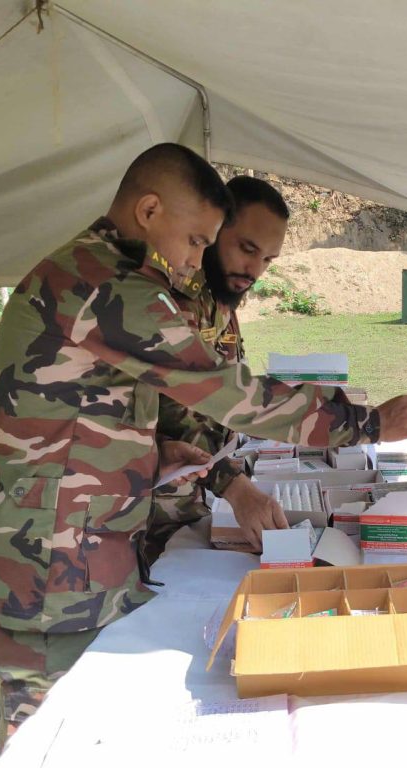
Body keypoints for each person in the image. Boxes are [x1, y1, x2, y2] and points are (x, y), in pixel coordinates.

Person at [0, 143, 407, 744]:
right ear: (148, 211)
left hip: (72, 566)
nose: (195, 262)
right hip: (47, 584)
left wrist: (148, 453)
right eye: (195, 240)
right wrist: (367, 424)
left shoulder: (98, 273)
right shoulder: (108, 285)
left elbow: (78, 413)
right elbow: (226, 391)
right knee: (48, 743)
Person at [144, 175, 293, 561]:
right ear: (214, 230)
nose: (255, 269)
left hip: (189, 496)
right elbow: (176, 408)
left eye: (267, 260)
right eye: (247, 249)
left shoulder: (221, 296)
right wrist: (236, 486)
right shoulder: (173, 297)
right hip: (147, 510)